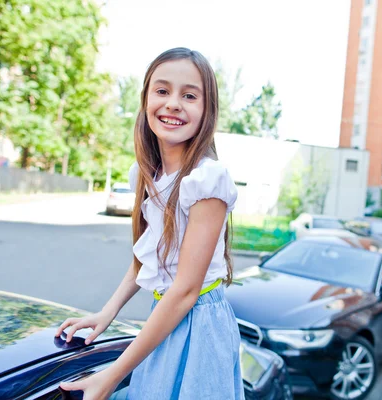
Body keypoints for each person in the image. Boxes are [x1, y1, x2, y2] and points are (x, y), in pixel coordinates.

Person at [55, 47, 243, 400]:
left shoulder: (207, 180)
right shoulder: (146, 174)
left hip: (198, 322)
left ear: (207, 110)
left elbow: (186, 290)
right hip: (165, 314)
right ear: (145, 101)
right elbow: (146, 259)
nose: (173, 103)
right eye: (162, 91)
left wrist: (111, 377)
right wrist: (106, 312)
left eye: (189, 95)